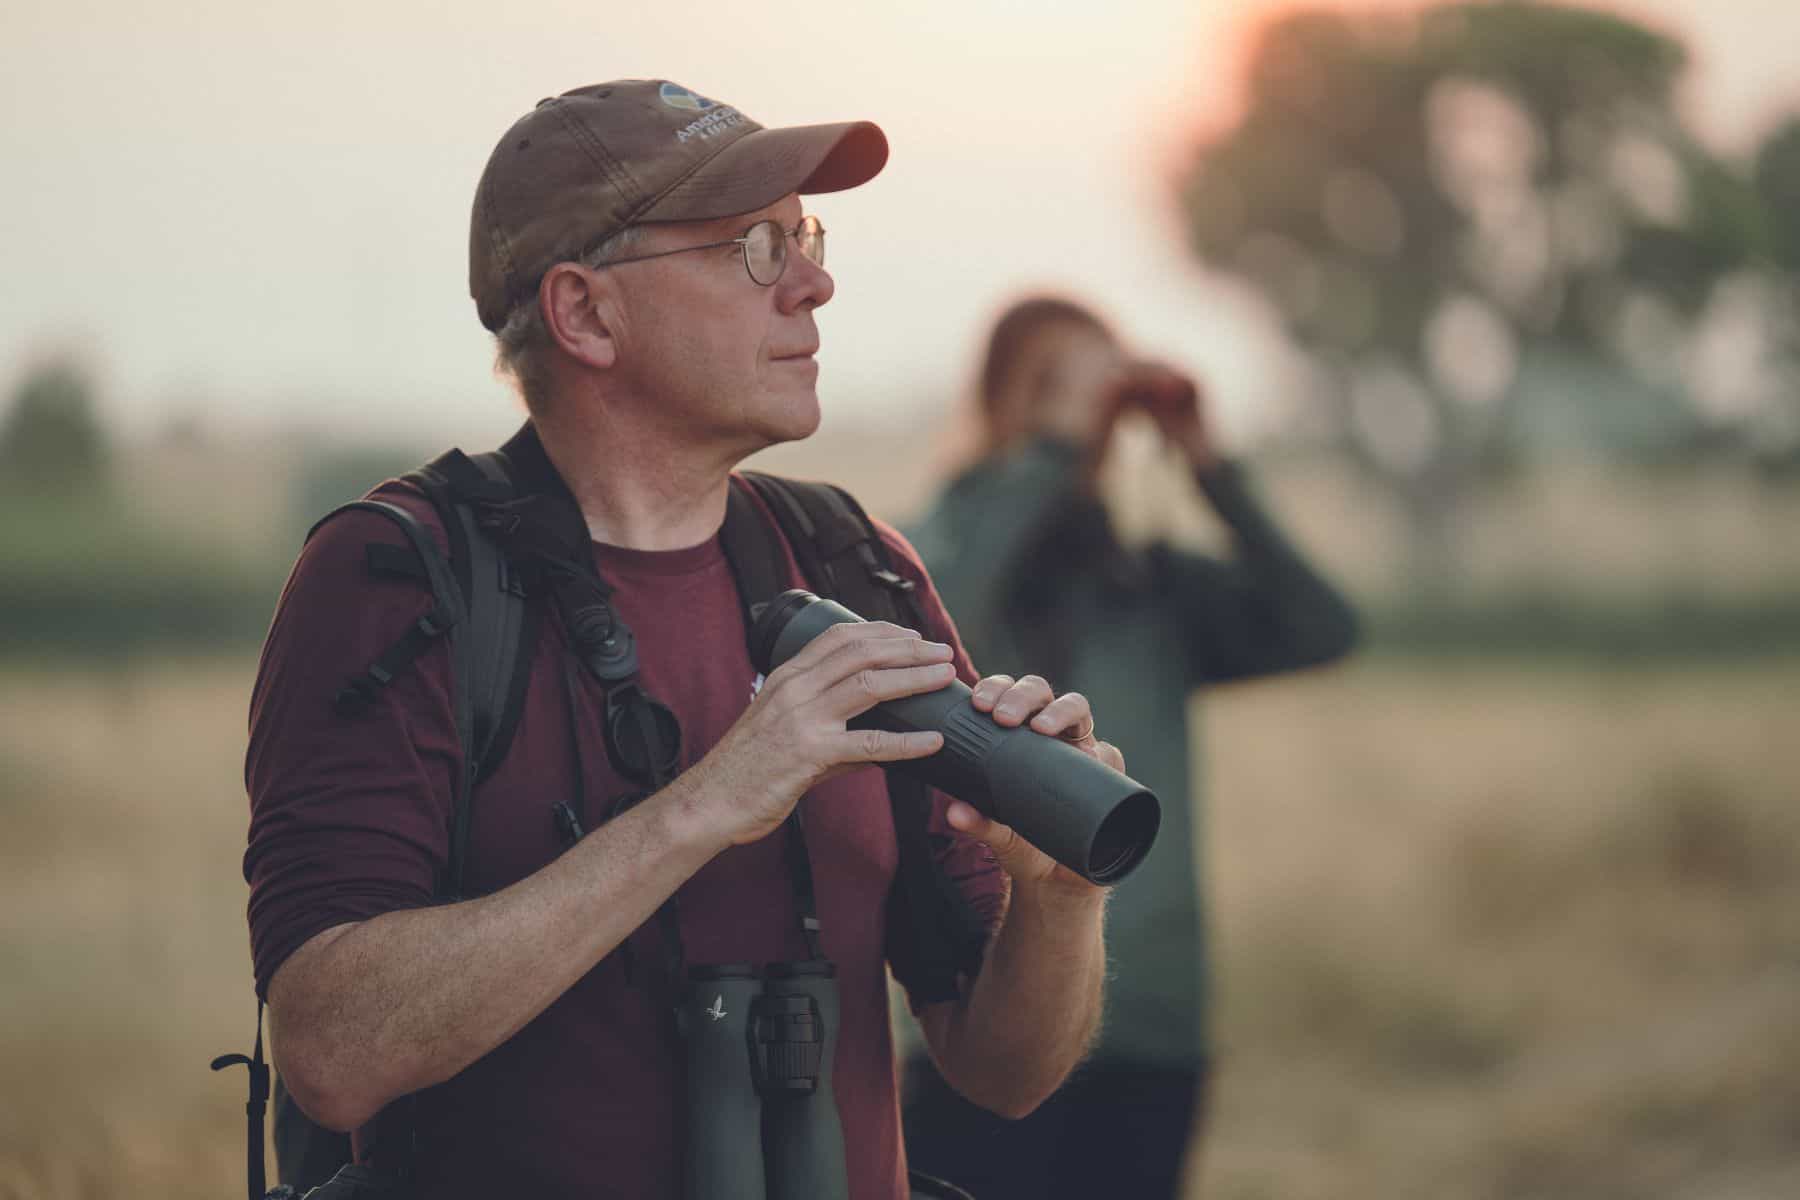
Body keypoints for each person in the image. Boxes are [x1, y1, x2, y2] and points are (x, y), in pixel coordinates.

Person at [242, 83, 1125, 1200]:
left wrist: (1056, 902)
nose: (814, 281)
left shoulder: (859, 568)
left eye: (804, 235)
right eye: (755, 247)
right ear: (587, 315)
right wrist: (714, 800)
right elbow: (332, 1052)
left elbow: (1003, 1074)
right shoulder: (396, 578)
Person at [902, 296, 1359, 1199]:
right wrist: (1051, 451)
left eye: (1103, 378)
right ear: (1002, 403)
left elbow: (1321, 627)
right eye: (1054, 383)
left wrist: (1208, 462)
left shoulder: (1146, 586)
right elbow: (940, 600)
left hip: (1153, 1027)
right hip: (983, 1016)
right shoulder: (939, 554)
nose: (1088, 405)